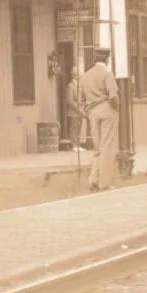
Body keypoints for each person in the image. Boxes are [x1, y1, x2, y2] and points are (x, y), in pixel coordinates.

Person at [79, 47, 120, 192]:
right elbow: (113, 96)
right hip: (107, 110)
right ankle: (104, 183)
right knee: (107, 146)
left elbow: (81, 100)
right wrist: (115, 108)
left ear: (95, 59)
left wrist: (88, 111)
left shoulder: (85, 77)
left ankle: (93, 180)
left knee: (97, 147)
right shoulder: (107, 74)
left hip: (92, 113)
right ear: (107, 59)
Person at [64, 70, 85, 149]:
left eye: (79, 75)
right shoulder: (70, 86)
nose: (79, 76)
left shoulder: (79, 86)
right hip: (73, 111)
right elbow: (69, 100)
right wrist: (79, 109)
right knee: (74, 129)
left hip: (79, 112)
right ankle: (74, 145)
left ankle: (77, 145)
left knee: (78, 129)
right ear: (73, 75)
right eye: (77, 75)